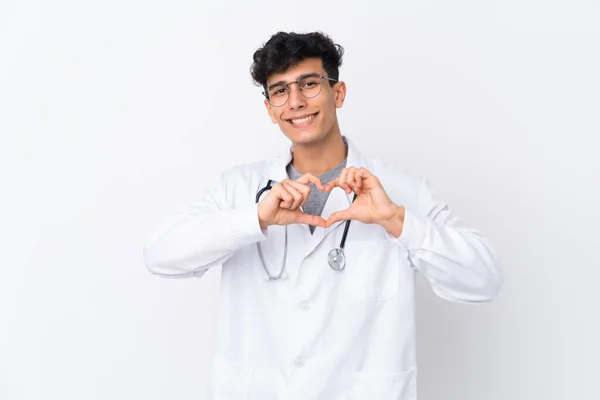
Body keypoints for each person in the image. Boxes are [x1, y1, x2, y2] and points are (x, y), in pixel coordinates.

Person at [143, 31, 503, 400]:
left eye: (309, 84)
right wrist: (254, 220)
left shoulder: (402, 190)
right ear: (270, 109)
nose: (295, 101)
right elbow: (160, 255)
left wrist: (395, 220)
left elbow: (483, 280)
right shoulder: (239, 188)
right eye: (280, 90)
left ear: (339, 92)